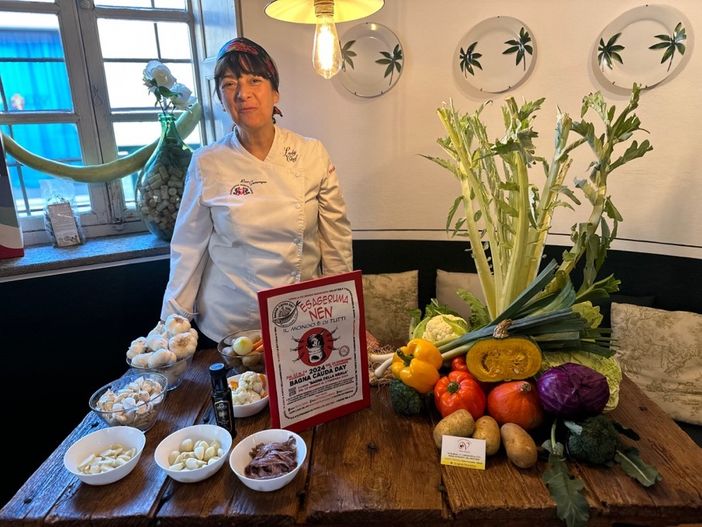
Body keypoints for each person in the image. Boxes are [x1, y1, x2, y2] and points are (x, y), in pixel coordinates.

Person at [160, 37, 353, 346]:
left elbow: (335, 242)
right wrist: (171, 328)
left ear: (275, 92)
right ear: (221, 99)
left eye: (254, 80)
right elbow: (188, 249)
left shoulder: (311, 153)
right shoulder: (207, 162)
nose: (242, 94)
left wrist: (342, 316)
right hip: (231, 325)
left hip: (302, 319)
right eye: (229, 84)